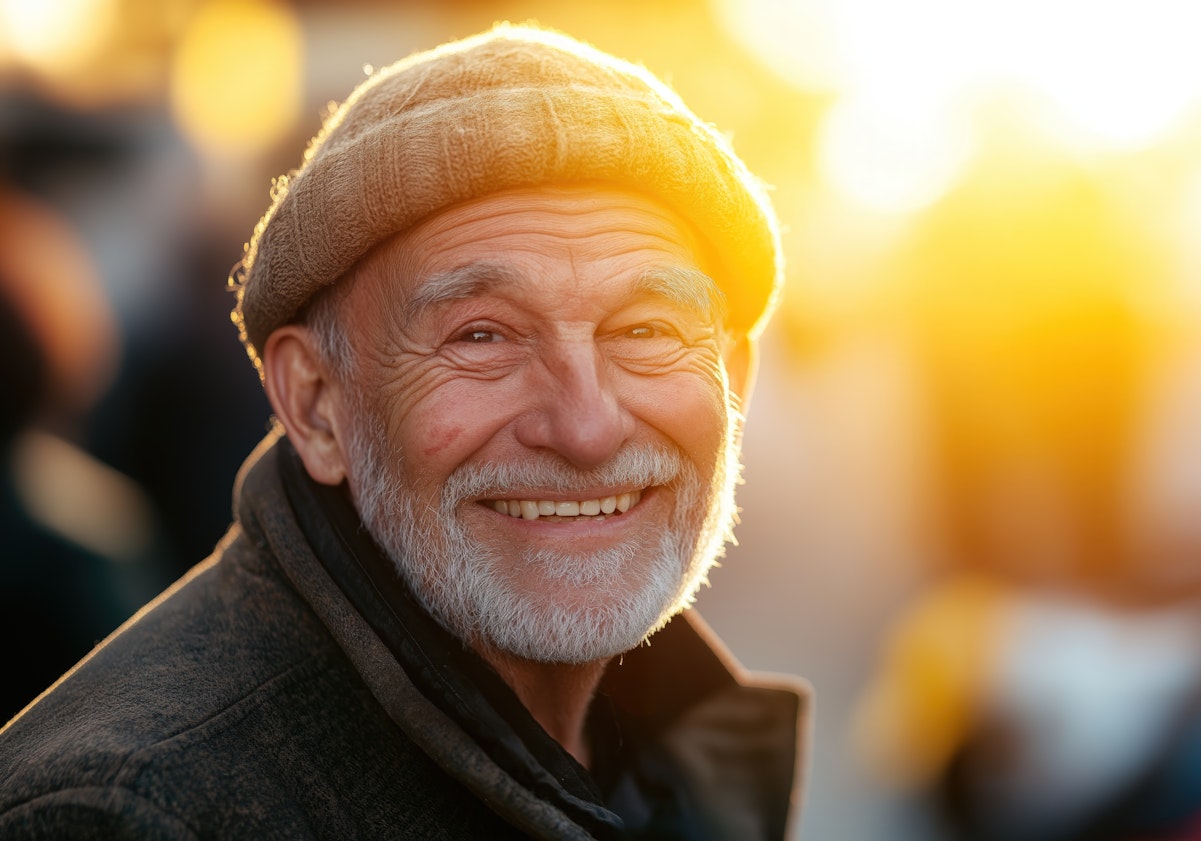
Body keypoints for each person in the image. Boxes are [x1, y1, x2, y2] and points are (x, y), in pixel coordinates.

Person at [0, 24, 804, 840]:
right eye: (482, 336)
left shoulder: (664, 744)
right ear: (316, 405)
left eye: (647, 331)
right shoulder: (123, 818)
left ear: (732, 385)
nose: (587, 426)